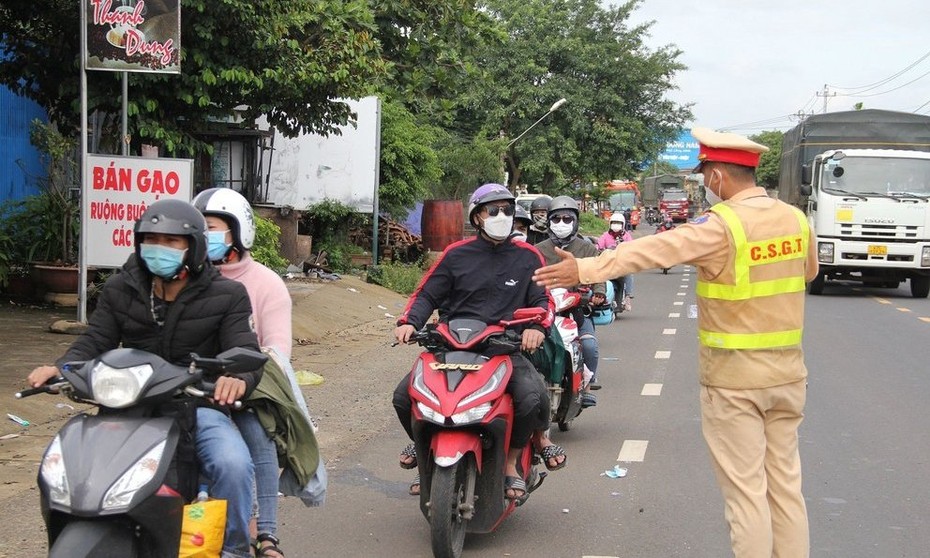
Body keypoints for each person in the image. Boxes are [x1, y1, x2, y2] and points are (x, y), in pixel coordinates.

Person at [533, 127, 817, 558]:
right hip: (788, 376)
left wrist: (585, 270)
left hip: (735, 380)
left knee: (746, 496)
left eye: (705, 173)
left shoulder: (723, 226)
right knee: (786, 488)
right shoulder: (795, 219)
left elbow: (655, 250)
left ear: (718, 175)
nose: (704, 181)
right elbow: (808, 272)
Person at [27, 199, 263, 558]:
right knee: (73, 465)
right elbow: (96, 339)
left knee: (232, 463)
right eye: (152, 239)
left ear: (194, 247)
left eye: (172, 242)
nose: (160, 248)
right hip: (128, 407)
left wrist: (238, 378)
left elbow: (243, 349)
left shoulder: (227, 294)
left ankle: (234, 549)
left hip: (194, 403)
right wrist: (63, 367)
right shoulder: (121, 287)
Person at [393, 183, 566, 500]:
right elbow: (426, 294)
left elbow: (544, 302)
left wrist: (537, 328)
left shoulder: (528, 257)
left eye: (508, 210)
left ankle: (511, 464)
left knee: (532, 396)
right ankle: (423, 449)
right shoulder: (455, 254)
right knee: (404, 396)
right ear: (477, 218)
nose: (503, 216)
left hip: (504, 348)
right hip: (451, 346)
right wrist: (409, 322)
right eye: (494, 210)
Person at [194, 187, 316, 558]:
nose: (204, 237)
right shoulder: (188, 279)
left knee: (257, 433)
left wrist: (240, 378)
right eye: (199, 229)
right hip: (192, 385)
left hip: (250, 386)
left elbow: (277, 350)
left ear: (239, 230)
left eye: (212, 228)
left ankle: (265, 534)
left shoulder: (265, 284)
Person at [533, 196, 606, 405]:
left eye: (567, 219)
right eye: (556, 219)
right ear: (549, 222)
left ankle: (586, 386)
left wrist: (598, 293)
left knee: (589, 347)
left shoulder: (588, 249)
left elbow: (599, 274)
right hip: (543, 310)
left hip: (576, 311)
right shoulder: (538, 250)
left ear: (575, 222)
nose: (561, 224)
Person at [596, 212, 635, 312]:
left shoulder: (626, 236)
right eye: (614, 222)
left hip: (621, 266)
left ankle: (627, 297)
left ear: (623, 224)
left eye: (618, 223)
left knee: (629, 274)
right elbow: (598, 247)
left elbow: (631, 247)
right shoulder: (605, 236)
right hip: (607, 265)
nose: (616, 225)